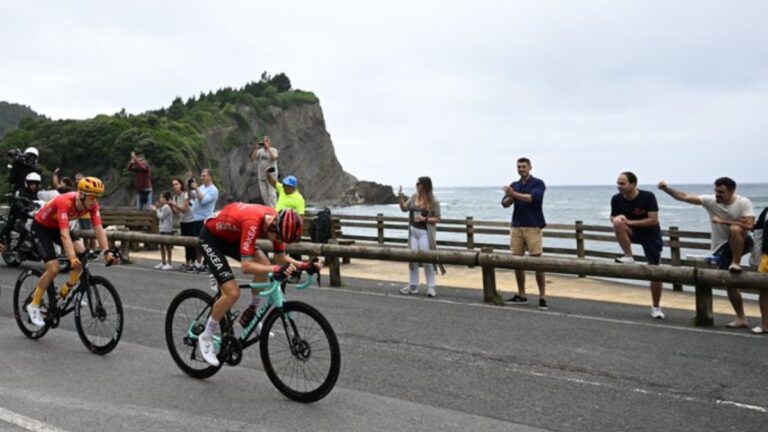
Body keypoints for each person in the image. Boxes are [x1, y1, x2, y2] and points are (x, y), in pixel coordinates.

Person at [196, 205, 320, 366]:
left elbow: (281, 257)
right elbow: (246, 267)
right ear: (273, 226)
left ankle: (251, 313)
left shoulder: (277, 223)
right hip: (211, 238)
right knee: (232, 293)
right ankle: (206, 336)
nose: (278, 242)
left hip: (233, 238)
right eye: (278, 238)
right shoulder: (252, 222)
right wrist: (275, 269)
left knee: (264, 264)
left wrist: (304, 265)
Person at [658, 177, 755, 328]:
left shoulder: (743, 202)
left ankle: (736, 262)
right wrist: (667, 189)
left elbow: (749, 225)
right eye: (716, 191)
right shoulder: (711, 201)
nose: (717, 194)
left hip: (743, 240)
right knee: (729, 282)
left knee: (735, 229)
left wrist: (724, 222)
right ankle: (741, 318)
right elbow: (684, 197)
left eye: (721, 192)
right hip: (722, 246)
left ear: (731, 191)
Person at [24, 177, 117, 326]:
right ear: (81, 194)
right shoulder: (64, 201)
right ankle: (33, 304)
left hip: (59, 227)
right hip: (42, 227)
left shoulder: (92, 205)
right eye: (92, 197)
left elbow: (99, 229)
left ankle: (68, 292)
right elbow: (64, 235)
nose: (95, 201)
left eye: (97, 197)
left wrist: (107, 251)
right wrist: (71, 257)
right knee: (53, 269)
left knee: (83, 254)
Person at [611, 172, 665, 319]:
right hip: (631, 232)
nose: (619, 186)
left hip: (651, 235)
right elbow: (613, 217)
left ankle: (656, 307)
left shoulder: (647, 196)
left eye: (622, 183)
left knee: (655, 271)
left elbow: (653, 220)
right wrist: (618, 218)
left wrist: (628, 221)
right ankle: (629, 256)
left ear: (633, 184)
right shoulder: (616, 199)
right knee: (617, 223)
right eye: (618, 183)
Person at [501, 157, 548, 310]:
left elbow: (532, 199)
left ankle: (542, 296)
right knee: (517, 262)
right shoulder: (514, 185)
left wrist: (513, 194)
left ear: (530, 167)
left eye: (523, 166)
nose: (521, 169)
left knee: (537, 262)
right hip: (517, 227)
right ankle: (521, 294)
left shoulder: (538, 183)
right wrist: (509, 195)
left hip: (533, 227)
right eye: (519, 167)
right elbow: (505, 204)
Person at [397, 176, 444, 297]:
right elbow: (404, 209)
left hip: (424, 233)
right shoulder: (413, 197)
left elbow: (438, 218)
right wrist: (400, 198)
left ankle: (431, 287)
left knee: (427, 259)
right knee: (413, 259)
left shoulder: (433, 201)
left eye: (419, 184)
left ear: (425, 186)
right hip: (413, 233)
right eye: (416, 184)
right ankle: (413, 286)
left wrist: (425, 219)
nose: (416, 186)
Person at [267, 173, 306, 261]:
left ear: (292, 187)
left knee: (294, 254)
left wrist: (296, 233)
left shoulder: (299, 199)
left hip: (289, 229)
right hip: (277, 228)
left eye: (286, 185)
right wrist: (268, 174)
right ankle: (279, 268)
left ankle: (296, 271)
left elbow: (301, 218)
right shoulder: (282, 189)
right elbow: (273, 182)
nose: (283, 187)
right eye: (283, 184)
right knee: (278, 251)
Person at [187, 168, 219, 273]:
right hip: (196, 219)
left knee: (204, 243)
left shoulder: (213, 190)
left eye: (204, 175)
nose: (202, 177)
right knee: (197, 243)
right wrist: (189, 187)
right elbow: (191, 196)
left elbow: (204, 201)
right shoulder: (201, 187)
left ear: (210, 177)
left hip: (204, 220)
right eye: (201, 175)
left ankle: (207, 264)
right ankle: (198, 263)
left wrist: (196, 189)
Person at [0, 172, 42, 249]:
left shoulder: (37, 194)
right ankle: (2, 237)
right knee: (13, 222)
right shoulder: (20, 191)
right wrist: (23, 207)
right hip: (19, 214)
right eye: (31, 183)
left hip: (31, 215)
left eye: (36, 183)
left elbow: (41, 202)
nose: (34, 185)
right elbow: (17, 201)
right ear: (27, 183)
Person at [168, 178, 195, 271]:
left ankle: (193, 262)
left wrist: (174, 204)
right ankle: (187, 262)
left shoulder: (186, 194)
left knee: (192, 243)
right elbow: (176, 212)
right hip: (183, 221)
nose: (174, 186)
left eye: (176, 184)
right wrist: (171, 205)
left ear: (181, 185)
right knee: (185, 243)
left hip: (191, 220)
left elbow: (184, 208)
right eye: (173, 185)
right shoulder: (175, 197)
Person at [250, 136, 279, 207]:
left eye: (266, 141)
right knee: (264, 195)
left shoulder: (273, 150)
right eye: (264, 141)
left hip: (271, 176)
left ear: (269, 142)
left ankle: (274, 209)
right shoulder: (260, 151)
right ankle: (269, 208)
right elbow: (253, 158)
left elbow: (274, 158)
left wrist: (268, 149)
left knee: (272, 194)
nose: (265, 143)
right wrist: (256, 149)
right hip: (262, 177)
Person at [752, 207, 768, 334]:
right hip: (765, 257)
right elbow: (757, 230)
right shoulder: (766, 211)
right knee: (764, 291)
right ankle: (765, 324)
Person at [151, 191, 174, 270]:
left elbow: (161, 217)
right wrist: (158, 209)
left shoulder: (167, 207)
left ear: (165, 199)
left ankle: (169, 263)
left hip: (167, 230)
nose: (160, 199)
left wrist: (156, 209)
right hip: (162, 229)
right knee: (162, 246)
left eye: (161, 198)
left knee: (167, 247)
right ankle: (163, 261)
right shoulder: (163, 207)